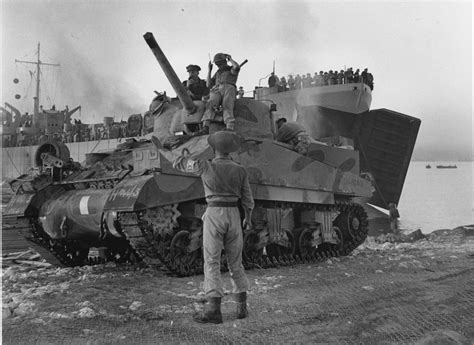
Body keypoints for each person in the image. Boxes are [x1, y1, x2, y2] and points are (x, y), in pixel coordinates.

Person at [171, 131, 254, 324]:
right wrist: (247, 217)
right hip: (234, 214)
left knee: (212, 262)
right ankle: (241, 307)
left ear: (214, 148)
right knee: (236, 263)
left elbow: (180, 164)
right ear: (230, 149)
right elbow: (248, 198)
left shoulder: (204, 165)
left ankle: (214, 310)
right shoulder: (240, 169)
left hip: (214, 213)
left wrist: (175, 153)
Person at [200, 53, 241, 134]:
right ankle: (205, 126)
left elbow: (237, 67)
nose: (219, 66)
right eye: (217, 64)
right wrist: (209, 70)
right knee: (210, 104)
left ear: (224, 62)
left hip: (229, 88)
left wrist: (230, 59)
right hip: (217, 89)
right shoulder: (218, 73)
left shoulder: (231, 69)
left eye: (220, 63)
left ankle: (229, 127)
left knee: (227, 105)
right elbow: (208, 84)